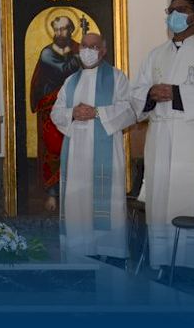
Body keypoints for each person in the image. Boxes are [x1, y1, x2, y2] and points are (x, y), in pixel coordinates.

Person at [132, 0, 194, 272]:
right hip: (161, 136)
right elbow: (136, 92)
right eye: (171, 10)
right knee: (162, 204)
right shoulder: (155, 54)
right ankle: (164, 264)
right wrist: (150, 94)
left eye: (182, 9)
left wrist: (176, 93)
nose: (174, 14)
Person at [51, 32, 135, 261]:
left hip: (106, 153)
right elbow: (56, 112)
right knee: (77, 203)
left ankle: (110, 254)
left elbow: (129, 109)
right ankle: (79, 254)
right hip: (76, 153)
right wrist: (73, 113)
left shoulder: (116, 78)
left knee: (107, 204)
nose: (88, 50)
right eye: (84, 46)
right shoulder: (70, 81)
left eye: (94, 46)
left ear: (103, 51)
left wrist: (97, 112)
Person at [31, 14, 81, 210]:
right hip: (51, 110)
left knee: (75, 150)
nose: (60, 33)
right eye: (57, 29)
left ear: (71, 30)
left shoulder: (77, 49)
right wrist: (80, 56)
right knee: (53, 150)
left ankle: (73, 193)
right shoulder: (47, 53)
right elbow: (63, 70)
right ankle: (52, 193)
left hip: (74, 109)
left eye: (64, 29)